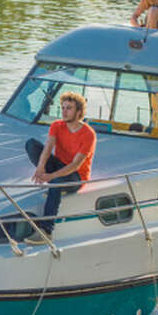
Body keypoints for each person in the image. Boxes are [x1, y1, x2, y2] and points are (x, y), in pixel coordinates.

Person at [25, 92, 96, 236]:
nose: (64, 111)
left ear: (79, 112)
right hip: (58, 164)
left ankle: (46, 230)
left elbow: (76, 165)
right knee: (31, 144)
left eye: (69, 108)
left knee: (56, 183)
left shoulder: (88, 134)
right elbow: (48, 147)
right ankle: (52, 179)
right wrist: (40, 168)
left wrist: (51, 177)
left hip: (76, 176)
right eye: (62, 108)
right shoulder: (57, 125)